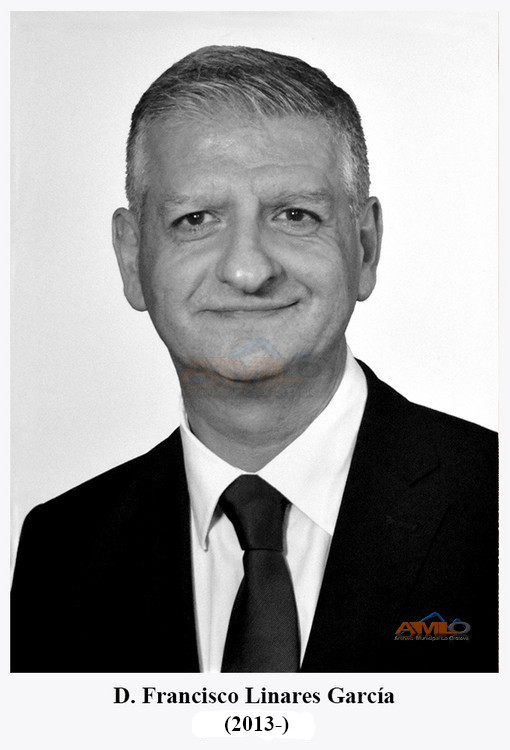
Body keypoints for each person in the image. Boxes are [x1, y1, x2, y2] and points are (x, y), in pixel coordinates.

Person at [11, 45, 497, 673]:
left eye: (295, 215)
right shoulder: (61, 550)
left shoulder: (495, 504)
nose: (247, 270)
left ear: (365, 246)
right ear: (132, 259)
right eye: (195, 220)